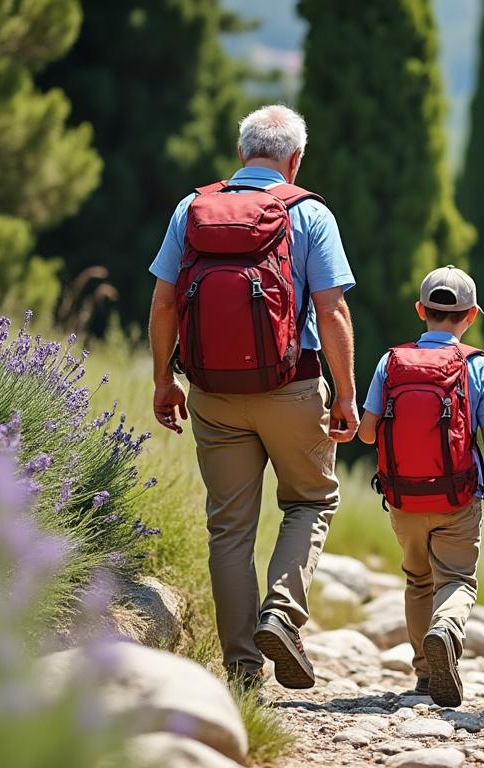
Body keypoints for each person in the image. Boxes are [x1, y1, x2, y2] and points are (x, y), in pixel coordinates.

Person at [147, 104, 358, 690]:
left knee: (229, 531)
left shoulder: (192, 208)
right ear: (296, 160)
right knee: (310, 501)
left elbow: (163, 302)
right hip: (293, 388)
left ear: (241, 153)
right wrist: (345, 394)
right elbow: (332, 310)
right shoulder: (309, 212)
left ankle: (242, 671)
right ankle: (282, 614)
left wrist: (164, 380)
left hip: (212, 392)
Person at [357, 265, 484, 707]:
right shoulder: (478, 365)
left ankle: (425, 674)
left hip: (403, 498)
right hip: (457, 497)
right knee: (457, 580)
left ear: (420, 310)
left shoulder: (391, 362)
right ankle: (445, 630)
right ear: (472, 315)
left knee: (417, 580)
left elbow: (366, 434)